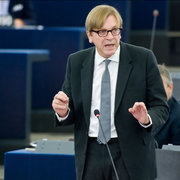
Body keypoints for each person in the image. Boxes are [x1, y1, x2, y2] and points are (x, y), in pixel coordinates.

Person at [52, 4, 169, 180]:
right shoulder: (76, 62)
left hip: (131, 154)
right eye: (102, 32)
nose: (110, 38)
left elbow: (161, 106)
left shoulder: (142, 58)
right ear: (90, 36)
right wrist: (63, 112)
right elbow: (71, 111)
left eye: (115, 30)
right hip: (90, 155)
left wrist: (146, 119)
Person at [155, 64, 180, 148]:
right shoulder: (141, 109)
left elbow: (175, 155)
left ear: (170, 87)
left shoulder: (177, 115)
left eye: (160, 86)